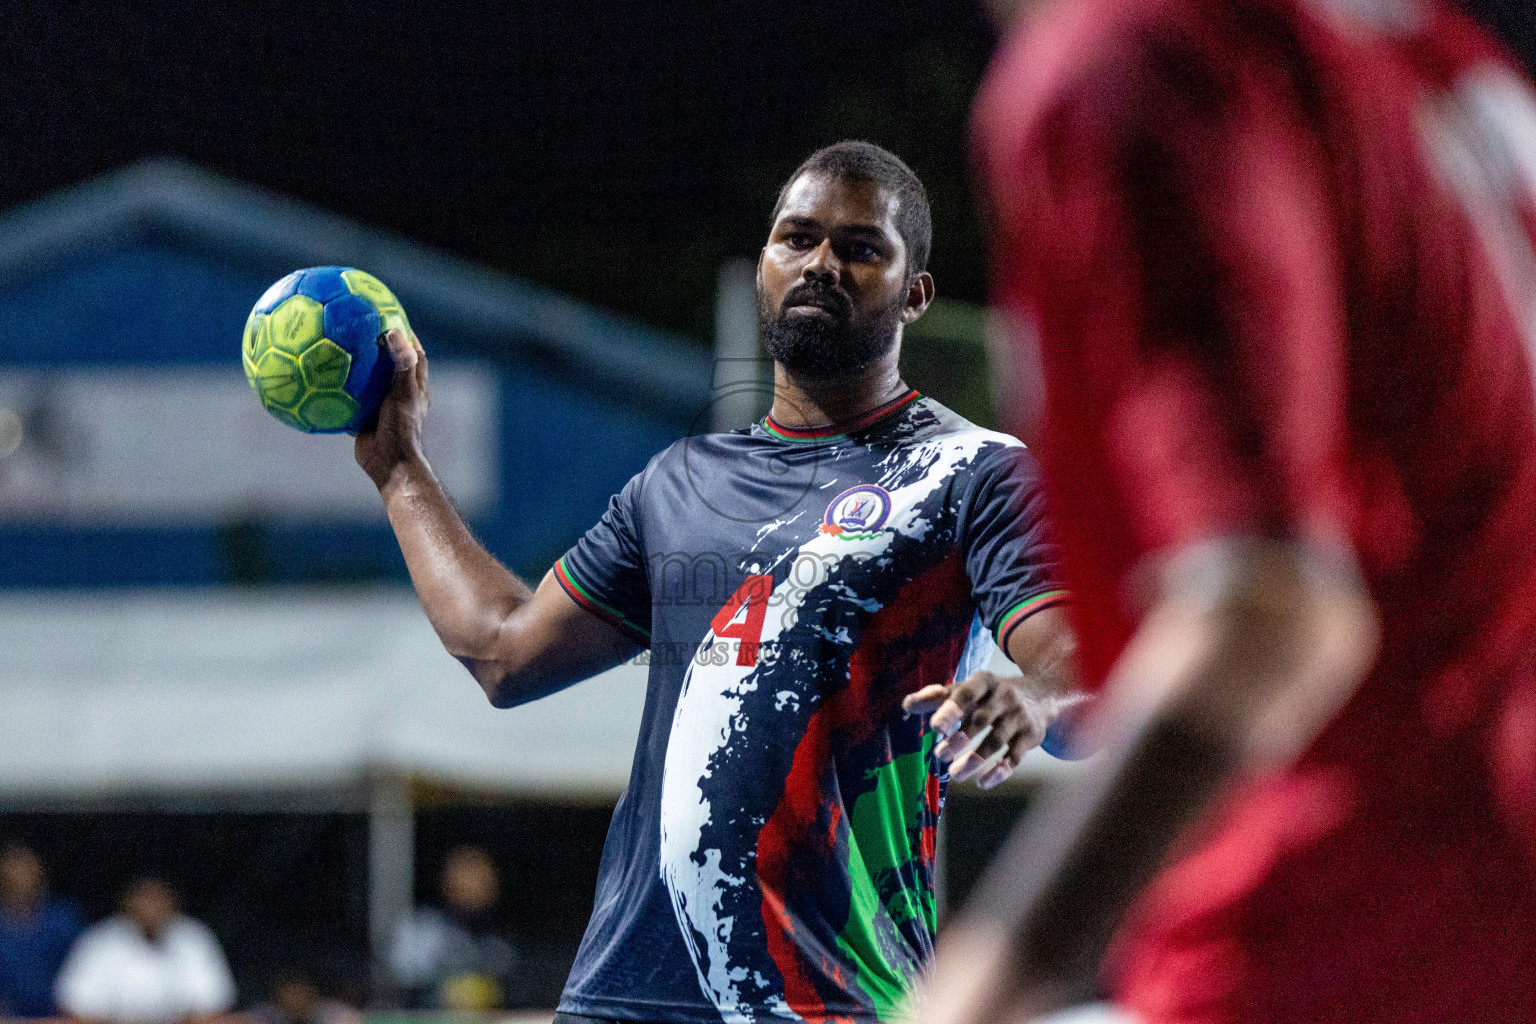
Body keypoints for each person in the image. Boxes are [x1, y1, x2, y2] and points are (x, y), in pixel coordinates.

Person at [354, 140, 1080, 1024]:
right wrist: (400, 470)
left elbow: (1077, 664)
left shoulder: (975, 473)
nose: (820, 262)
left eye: (859, 247)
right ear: (766, 265)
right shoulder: (677, 481)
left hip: (835, 1001)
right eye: (797, 238)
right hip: (622, 999)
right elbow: (503, 652)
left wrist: (1033, 700)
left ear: (915, 292)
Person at [923, 0, 1536, 1022]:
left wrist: (974, 995)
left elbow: (1266, 617)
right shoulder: (1427, 56)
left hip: (1356, 938)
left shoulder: (1135, 62)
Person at [55, 877, 235, 1024]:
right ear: (126, 902)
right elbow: (76, 1010)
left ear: (172, 902)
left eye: (157, 898)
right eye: (144, 898)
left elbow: (215, 1008)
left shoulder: (193, 937)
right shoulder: (100, 940)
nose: (150, 907)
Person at [387, 845, 523, 1009]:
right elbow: (402, 982)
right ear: (447, 882)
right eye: (467, 877)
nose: (475, 886)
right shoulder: (422, 926)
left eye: (483, 879)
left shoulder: (498, 934)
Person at [0, 842, 84, 1017]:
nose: (20, 874)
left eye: (26, 865)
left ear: (39, 869)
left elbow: (82, 976)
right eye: (13, 865)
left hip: (57, 1016)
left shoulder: (62, 918)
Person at [247, 968, 360, 1024]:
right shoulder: (268, 1015)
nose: (295, 998)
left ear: (312, 992)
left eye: (299, 991)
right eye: (289, 992)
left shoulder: (332, 1014)